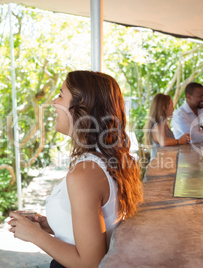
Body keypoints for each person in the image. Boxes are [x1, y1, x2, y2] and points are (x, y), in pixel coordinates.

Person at [8, 71, 143, 268]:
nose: (54, 102)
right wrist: (49, 224)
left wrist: (35, 235)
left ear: (82, 109)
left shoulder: (85, 173)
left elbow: (90, 262)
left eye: (61, 95)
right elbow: (99, 230)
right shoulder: (105, 159)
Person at [143, 93, 190, 159]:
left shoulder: (165, 126)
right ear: (163, 107)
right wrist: (179, 141)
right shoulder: (157, 126)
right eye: (171, 106)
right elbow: (164, 142)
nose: (173, 109)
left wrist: (183, 140)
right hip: (158, 166)